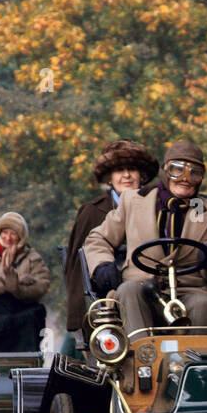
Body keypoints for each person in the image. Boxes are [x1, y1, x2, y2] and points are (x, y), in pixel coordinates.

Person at [84, 140, 207, 335]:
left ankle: (193, 363)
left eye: (194, 173)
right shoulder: (133, 200)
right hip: (142, 287)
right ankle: (141, 360)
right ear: (165, 171)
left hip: (189, 292)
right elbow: (98, 239)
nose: (185, 178)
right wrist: (102, 265)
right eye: (177, 170)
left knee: (203, 304)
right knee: (128, 290)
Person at [62, 140, 159, 345]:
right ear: (109, 177)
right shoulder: (92, 211)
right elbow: (77, 266)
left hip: (150, 290)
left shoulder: (156, 204)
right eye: (119, 170)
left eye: (132, 169)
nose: (126, 175)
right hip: (106, 297)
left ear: (141, 174)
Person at [0, 212, 51, 351]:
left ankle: (28, 366)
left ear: (21, 236)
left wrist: (18, 289)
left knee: (33, 317)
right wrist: (15, 280)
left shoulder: (32, 257)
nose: (7, 238)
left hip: (22, 306)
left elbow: (41, 285)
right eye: (4, 232)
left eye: (13, 234)